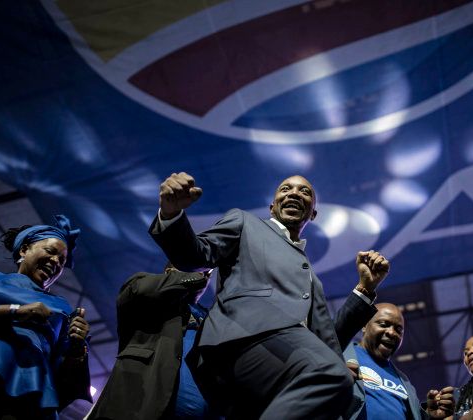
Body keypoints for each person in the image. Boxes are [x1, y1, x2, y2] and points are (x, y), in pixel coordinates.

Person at [150, 172, 390, 419]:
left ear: (313, 215)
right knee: (330, 374)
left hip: (284, 366)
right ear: (272, 205)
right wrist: (171, 214)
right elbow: (197, 255)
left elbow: (327, 342)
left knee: (330, 377)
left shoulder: (311, 279)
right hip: (242, 339)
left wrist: (364, 289)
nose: (294, 193)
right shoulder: (245, 223)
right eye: (286, 189)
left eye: (304, 191)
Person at [0, 215, 91, 420]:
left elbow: (66, 384)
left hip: (30, 394)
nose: (56, 261)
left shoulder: (65, 309)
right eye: (51, 251)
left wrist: (77, 349)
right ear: (24, 250)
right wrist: (14, 311)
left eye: (62, 260)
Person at [87, 263, 219, 419]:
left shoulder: (209, 317)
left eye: (205, 274)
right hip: (137, 410)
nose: (203, 277)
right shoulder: (144, 292)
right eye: (193, 270)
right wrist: (195, 275)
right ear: (169, 272)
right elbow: (140, 290)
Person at [342, 302, 455, 419]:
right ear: (365, 325)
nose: (391, 333)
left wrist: (429, 415)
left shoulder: (404, 381)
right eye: (383, 324)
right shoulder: (341, 355)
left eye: (398, 329)